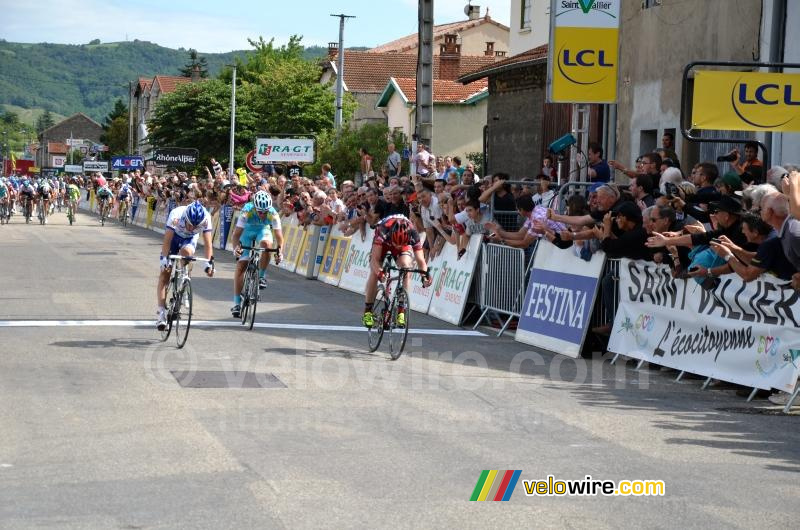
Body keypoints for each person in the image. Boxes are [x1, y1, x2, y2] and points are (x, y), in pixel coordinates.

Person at [362, 215, 432, 328]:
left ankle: (401, 311)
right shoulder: (383, 230)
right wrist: (380, 272)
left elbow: (421, 260)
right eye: (396, 243)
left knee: (406, 269)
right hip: (384, 243)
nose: (397, 245)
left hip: (401, 246)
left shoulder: (413, 233)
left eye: (401, 243)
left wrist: (424, 276)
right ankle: (367, 312)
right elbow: (374, 260)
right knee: (375, 273)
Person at [156, 200, 215, 330]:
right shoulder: (176, 215)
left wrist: (208, 264)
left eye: (195, 226)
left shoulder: (206, 219)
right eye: (190, 224)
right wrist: (164, 260)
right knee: (165, 274)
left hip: (189, 240)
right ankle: (161, 312)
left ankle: (185, 276)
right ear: (185, 218)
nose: (192, 228)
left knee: (187, 253)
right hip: (173, 238)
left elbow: (208, 244)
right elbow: (166, 241)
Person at [229, 190, 284, 318]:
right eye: (260, 212)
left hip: (262, 231)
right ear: (255, 207)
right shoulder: (247, 211)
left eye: (265, 212)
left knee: (267, 245)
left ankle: (261, 276)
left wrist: (280, 252)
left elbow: (279, 237)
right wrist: (236, 249)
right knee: (242, 265)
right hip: (246, 232)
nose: (263, 215)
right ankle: (237, 303)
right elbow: (236, 235)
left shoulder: (273, 213)